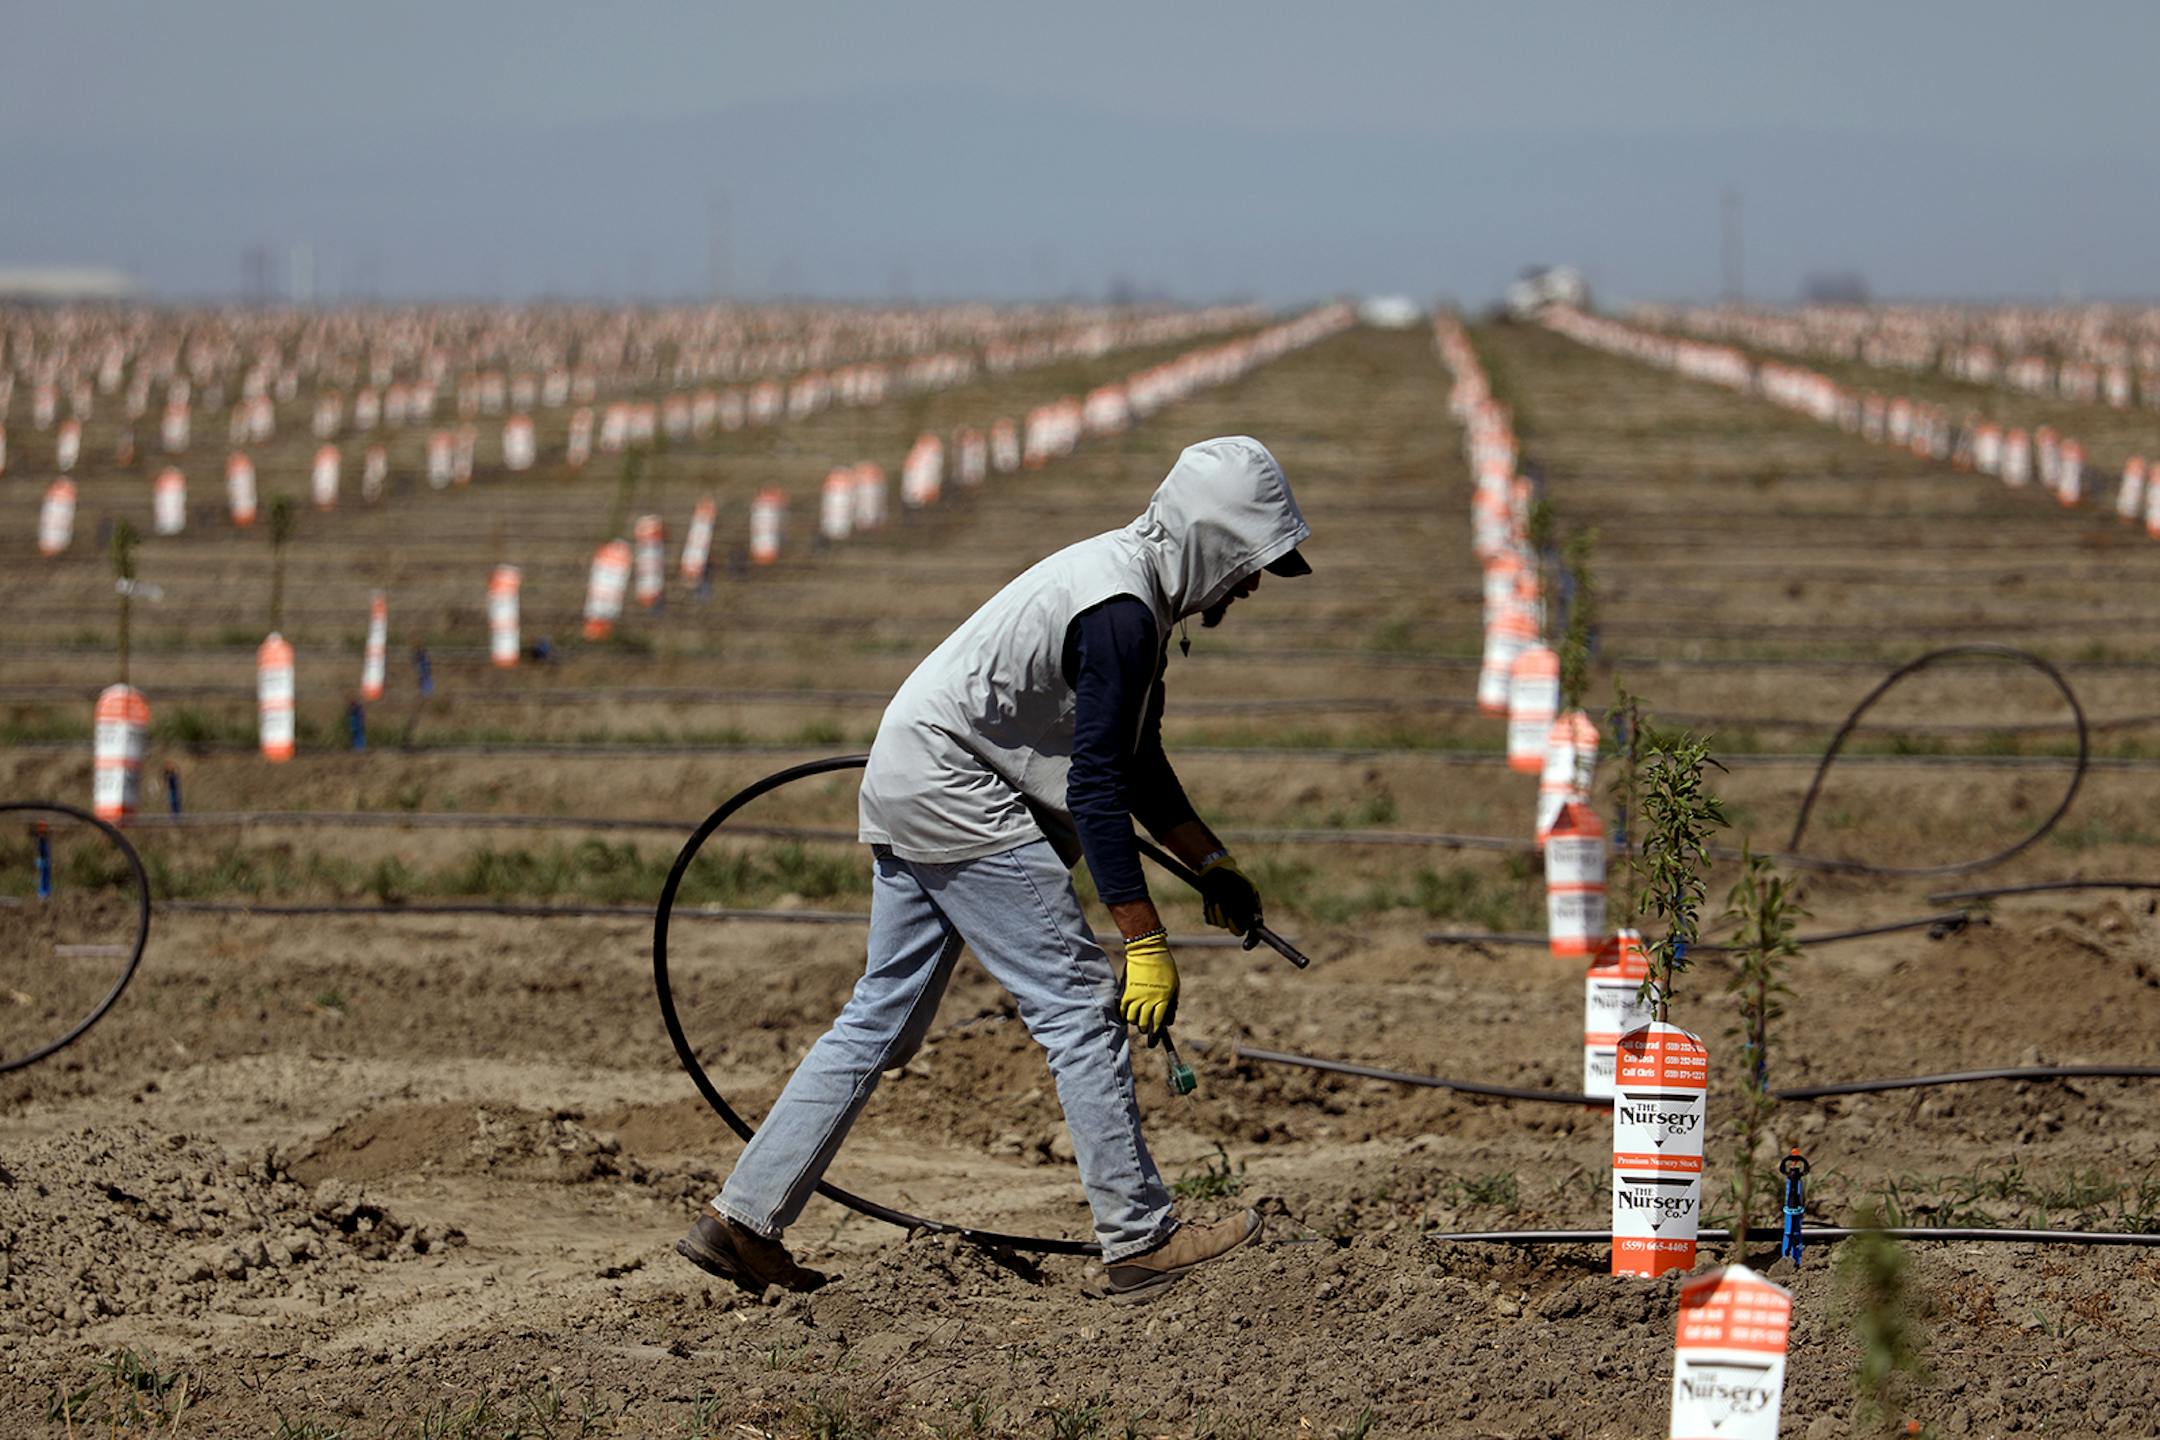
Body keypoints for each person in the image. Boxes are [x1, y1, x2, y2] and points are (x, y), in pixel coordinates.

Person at [678, 436, 1311, 1303]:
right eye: (1251, 563)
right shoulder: (1122, 612)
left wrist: (1212, 862)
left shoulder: (1133, 596)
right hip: (956, 790)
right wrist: (1144, 937)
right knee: (1080, 1006)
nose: (1253, 584)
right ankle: (1139, 1237)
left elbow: (1134, 759)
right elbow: (1094, 787)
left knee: (883, 1018)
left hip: (914, 771)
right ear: (1214, 540)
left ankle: (742, 1222)